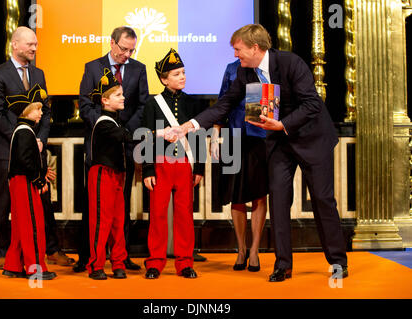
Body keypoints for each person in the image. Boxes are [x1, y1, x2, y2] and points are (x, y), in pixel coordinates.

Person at [169, 24, 348, 282]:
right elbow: (225, 105)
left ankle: (338, 262)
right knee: (278, 200)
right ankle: (283, 265)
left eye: (238, 49)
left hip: (312, 139)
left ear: (255, 47)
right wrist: (189, 126)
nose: (235, 55)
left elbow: (311, 103)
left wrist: (283, 124)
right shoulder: (246, 72)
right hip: (279, 144)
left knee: (322, 200)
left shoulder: (291, 63)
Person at [0, 26, 73, 270]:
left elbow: (46, 113)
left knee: (43, 201)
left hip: (37, 149)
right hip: (6, 150)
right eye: (30, 44)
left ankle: (51, 249)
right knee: (3, 203)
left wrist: (41, 139)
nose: (34, 48)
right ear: (15, 45)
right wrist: (22, 138)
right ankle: (1, 252)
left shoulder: (39, 73)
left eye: (35, 44)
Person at [77, 26, 149, 272]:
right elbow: (85, 104)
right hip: (99, 145)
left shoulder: (139, 69)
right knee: (94, 206)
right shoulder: (92, 67)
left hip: (124, 146)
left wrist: (124, 131)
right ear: (112, 43)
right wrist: (106, 124)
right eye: (123, 49)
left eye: (131, 50)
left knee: (121, 205)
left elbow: (142, 105)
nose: (127, 54)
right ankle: (88, 257)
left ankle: (122, 256)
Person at [141, 48, 204, 279]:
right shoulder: (153, 104)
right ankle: (155, 262)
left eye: (184, 72)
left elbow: (198, 135)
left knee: (184, 214)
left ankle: (185, 262)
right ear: (163, 79)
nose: (183, 77)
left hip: (185, 163)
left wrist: (199, 168)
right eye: (177, 74)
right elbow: (146, 136)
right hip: (160, 164)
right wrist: (147, 169)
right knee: (157, 214)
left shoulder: (192, 102)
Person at [210, 59, 268, 272]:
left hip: (261, 136)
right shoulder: (231, 68)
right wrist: (216, 132)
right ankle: (241, 249)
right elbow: (223, 100)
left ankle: (254, 250)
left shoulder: (268, 68)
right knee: (237, 194)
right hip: (234, 134)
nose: (236, 52)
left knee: (259, 194)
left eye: (238, 48)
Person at [2, 84, 56, 280]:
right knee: (33, 224)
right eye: (38, 108)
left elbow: (24, 158)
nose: (41, 112)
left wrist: (42, 170)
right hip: (25, 182)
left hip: (19, 181)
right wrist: (39, 179)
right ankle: (36, 268)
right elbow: (25, 160)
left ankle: (13, 265)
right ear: (27, 110)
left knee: (20, 225)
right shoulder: (25, 131)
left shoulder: (22, 130)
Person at [85, 69, 132, 280]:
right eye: (118, 95)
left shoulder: (115, 121)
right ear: (105, 100)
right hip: (102, 175)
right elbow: (124, 137)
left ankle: (118, 263)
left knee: (117, 221)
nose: (123, 98)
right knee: (101, 221)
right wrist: (157, 133)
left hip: (116, 176)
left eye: (122, 94)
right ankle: (96, 265)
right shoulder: (104, 123)